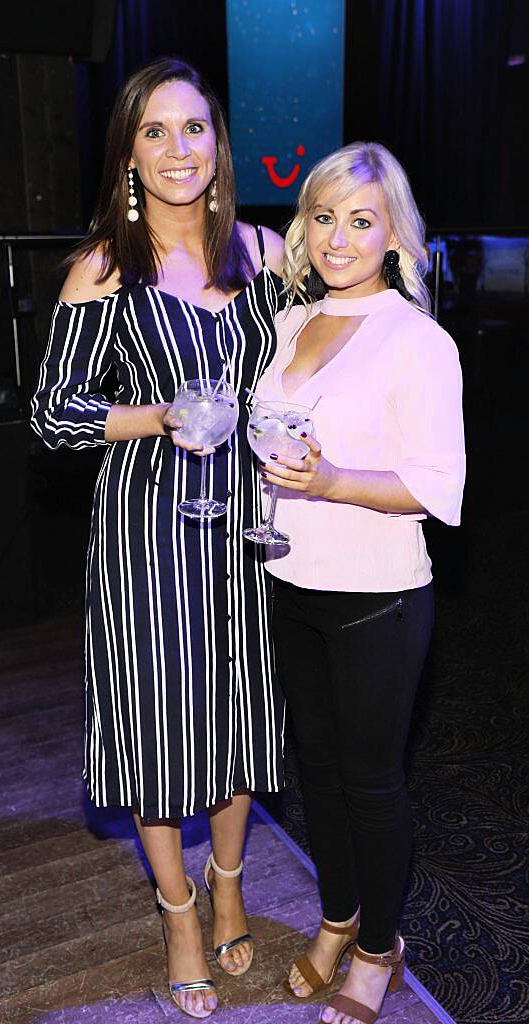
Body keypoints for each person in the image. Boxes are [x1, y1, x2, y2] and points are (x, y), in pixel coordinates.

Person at [31, 57, 285, 1020]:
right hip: (145, 534)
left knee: (239, 717)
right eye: (154, 132)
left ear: (219, 145)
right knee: (158, 727)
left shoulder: (262, 252)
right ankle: (178, 909)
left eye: (195, 129)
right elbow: (54, 416)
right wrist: (161, 415)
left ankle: (228, 880)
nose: (178, 150)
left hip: (250, 535)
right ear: (128, 155)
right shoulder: (104, 266)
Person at [254, 141, 465, 1024]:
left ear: (394, 235)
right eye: (324, 216)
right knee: (318, 767)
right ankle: (338, 916)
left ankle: (380, 947)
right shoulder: (294, 323)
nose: (338, 237)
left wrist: (335, 481)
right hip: (288, 579)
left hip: (375, 595)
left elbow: (438, 488)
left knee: (372, 783)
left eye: (361, 220)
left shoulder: (418, 339)